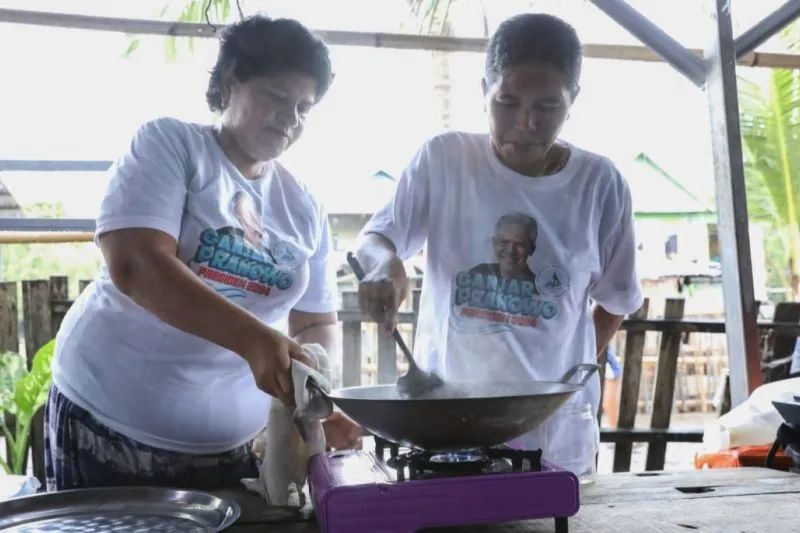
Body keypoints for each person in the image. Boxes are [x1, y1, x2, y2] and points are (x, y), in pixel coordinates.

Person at [46, 15, 360, 492]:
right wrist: (255, 341)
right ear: (232, 81)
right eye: (278, 97)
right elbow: (137, 264)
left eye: (303, 107)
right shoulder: (171, 146)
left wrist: (321, 393)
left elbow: (315, 322)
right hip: (109, 425)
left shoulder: (304, 207)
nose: (290, 118)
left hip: (232, 449)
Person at [356, 13, 642, 476]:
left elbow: (615, 301)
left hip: (555, 434)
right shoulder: (445, 159)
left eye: (548, 106)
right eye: (507, 102)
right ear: (484, 89)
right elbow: (376, 237)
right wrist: (383, 264)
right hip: (447, 425)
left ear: (574, 101)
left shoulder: (599, 184)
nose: (526, 122)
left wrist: (561, 383)